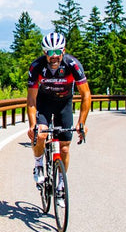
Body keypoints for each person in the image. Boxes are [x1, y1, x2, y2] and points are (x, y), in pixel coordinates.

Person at [25, 32, 92, 186]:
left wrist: (81, 123)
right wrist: (32, 125)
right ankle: (38, 164)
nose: (53, 56)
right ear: (44, 53)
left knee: (65, 149)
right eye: (50, 53)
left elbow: (86, 95)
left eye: (57, 52)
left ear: (63, 50)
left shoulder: (72, 65)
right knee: (40, 134)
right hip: (45, 102)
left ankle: (61, 183)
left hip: (64, 104)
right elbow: (31, 98)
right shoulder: (37, 67)